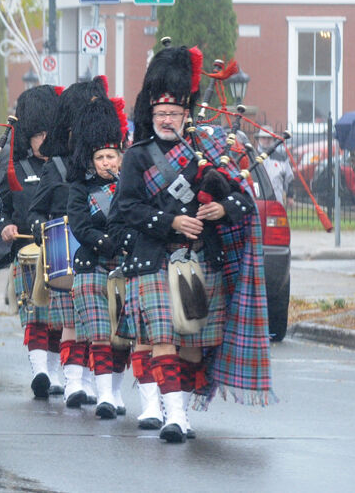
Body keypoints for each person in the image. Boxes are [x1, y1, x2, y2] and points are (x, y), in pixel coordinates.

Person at [116, 42, 272, 444]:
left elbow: (242, 197)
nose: (166, 119)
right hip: (153, 259)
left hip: (201, 260)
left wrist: (222, 209)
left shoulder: (207, 149)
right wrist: (171, 221)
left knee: (191, 344)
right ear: (150, 114)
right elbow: (125, 208)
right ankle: (176, 417)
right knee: (165, 337)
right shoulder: (137, 157)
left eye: (174, 113)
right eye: (160, 113)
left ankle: (178, 410)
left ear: (187, 113)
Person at [24, 76, 106, 408]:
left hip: (101, 247)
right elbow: (35, 212)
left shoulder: (109, 162)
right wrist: (47, 229)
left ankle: (96, 384)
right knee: (72, 321)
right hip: (65, 249)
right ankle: (74, 382)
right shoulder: (56, 167)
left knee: (100, 321)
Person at [64, 93, 132, 420]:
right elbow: (79, 226)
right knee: (101, 333)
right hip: (91, 265)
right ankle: (104, 393)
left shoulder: (130, 186)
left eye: (111, 156)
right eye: (101, 157)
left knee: (123, 337)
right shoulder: (79, 188)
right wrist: (108, 243)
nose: (107, 162)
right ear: (91, 160)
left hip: (124, 267)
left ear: (121, 157)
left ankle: (115, 391)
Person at [0, 85, 61, 398]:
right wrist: (7, 226)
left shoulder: (65, 168)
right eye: (38, 135)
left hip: (62, 249)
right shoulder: (15, 169)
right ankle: (40, 372)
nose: (44, 141)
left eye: (48, 133)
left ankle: (57, 370)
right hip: (27, 252)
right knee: (35, 315)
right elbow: (4, 208)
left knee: (60, 318)